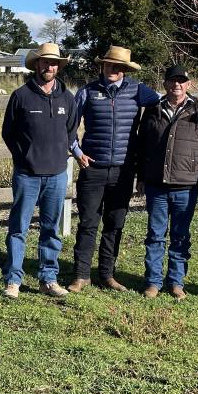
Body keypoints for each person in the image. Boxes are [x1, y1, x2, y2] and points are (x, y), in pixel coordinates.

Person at [65, 46, 160, 293]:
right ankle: (81, 275)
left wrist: (196, 100)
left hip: (123, 170)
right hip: (93, 168)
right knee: (88, 222)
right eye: (109, 65)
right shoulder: (87, 92)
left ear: (125, 70)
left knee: (115, 223)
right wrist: (77, 153)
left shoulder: (139, 90)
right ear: (102, 66)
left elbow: (169, 99)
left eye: (118, 67)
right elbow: (69, 126)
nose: (113, 69)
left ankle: (107, 274)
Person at [133, 64, 198, 299]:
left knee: (181, 235)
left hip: (186, 184)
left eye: (181, 81)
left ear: (188, 84)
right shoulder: (153, 110)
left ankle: (176, 281)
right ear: (165, 84)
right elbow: (141, 146)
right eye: (172, 81)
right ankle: (152, 282)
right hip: (156, 185)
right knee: (155, 234)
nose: (177, 85)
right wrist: (140, 176)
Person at [0, 42, 79, 299]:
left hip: (57, 174)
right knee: (18, 228)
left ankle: (48, 278)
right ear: (36, 65)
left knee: (50, 229)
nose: (49, 66)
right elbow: (8, 133)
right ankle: (13, 280)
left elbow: (71, 132)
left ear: (59, 66)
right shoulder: (21, 96)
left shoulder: (68, 98)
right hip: (27, 175)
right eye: (45, 62)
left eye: (54, 62)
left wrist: (65, 154)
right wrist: (24, 157)